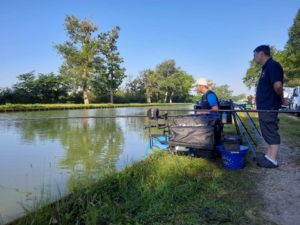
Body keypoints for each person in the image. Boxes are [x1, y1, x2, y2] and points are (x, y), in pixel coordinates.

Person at [253, 45, 289, 168]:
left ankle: (272, 160)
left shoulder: (273, 66)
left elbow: (278, 86)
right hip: (265, 106)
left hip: (269, 106)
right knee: (266, 131)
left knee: (270, 130)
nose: (254, 58)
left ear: (262, 53)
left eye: (254, 55)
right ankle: (268, 156)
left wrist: (282, 99)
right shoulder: (267, 68)